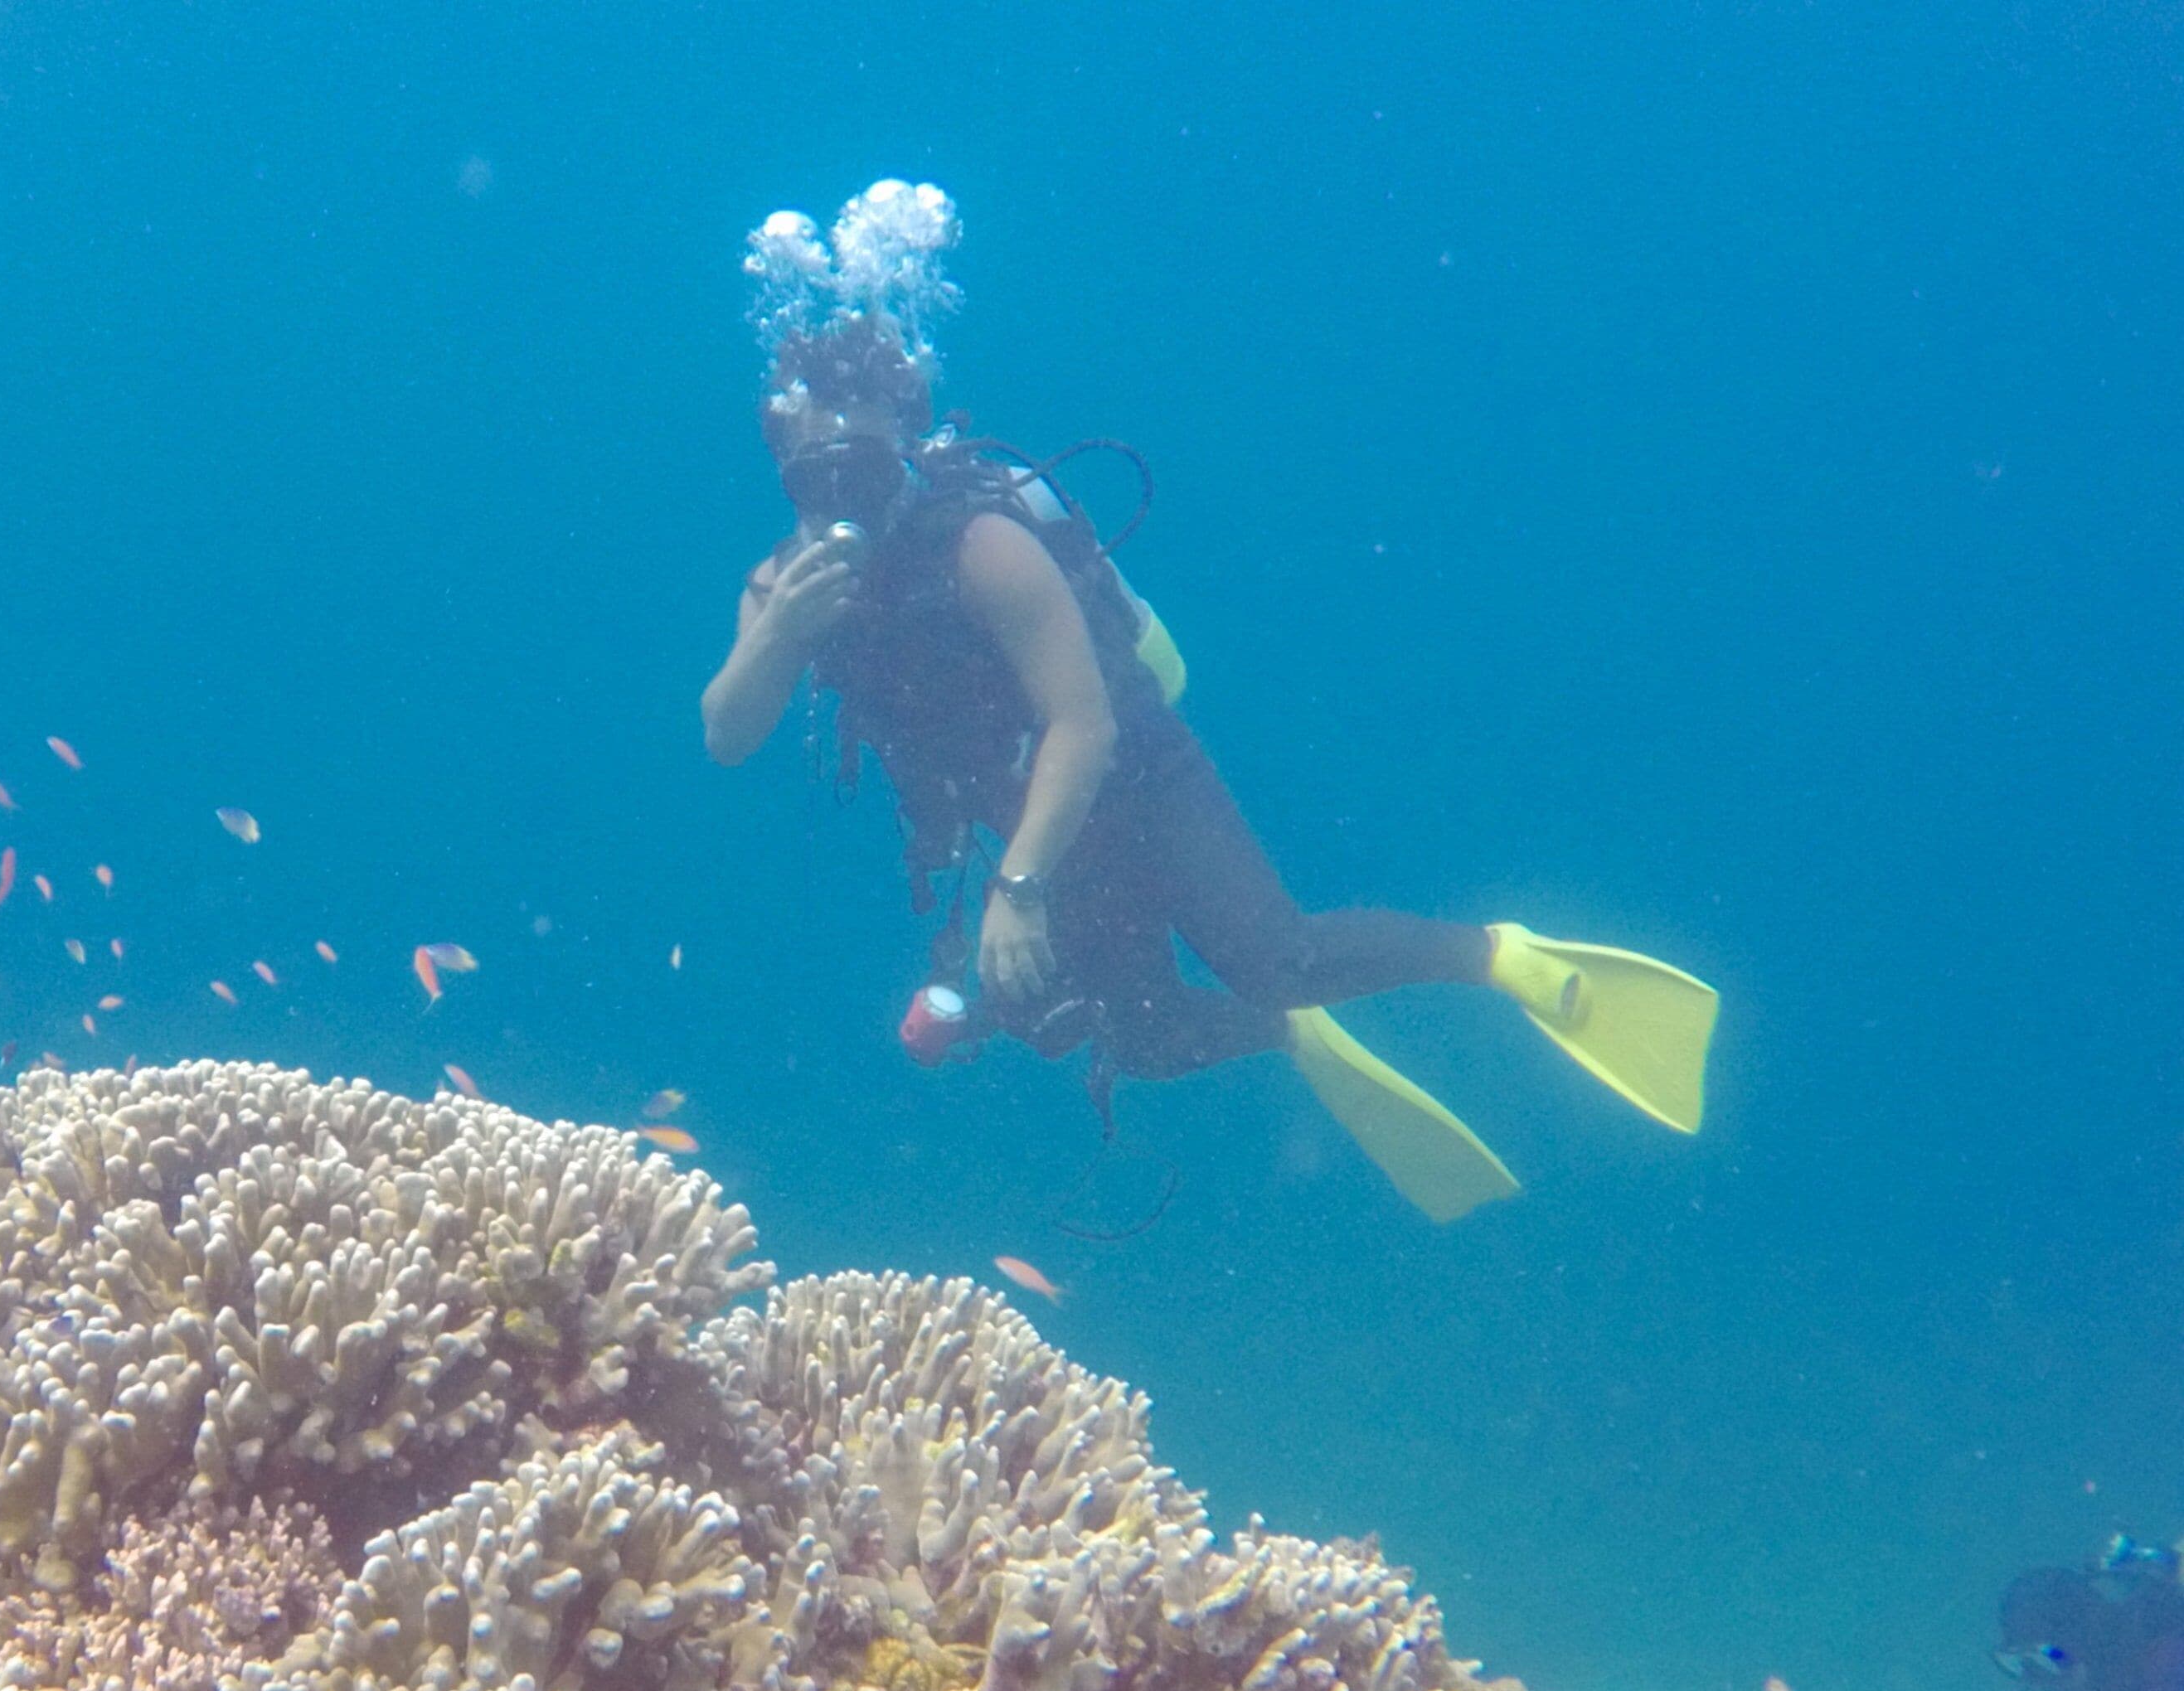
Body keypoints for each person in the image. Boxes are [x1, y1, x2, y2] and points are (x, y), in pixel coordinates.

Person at [703, 182, 1721, 1220]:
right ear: (783, 461)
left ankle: (1502, 958)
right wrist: (779, 633)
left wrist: (1019, 887)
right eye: (818, 482)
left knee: (1279, 957)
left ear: (905, 448)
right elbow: (727, 735)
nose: (845, 507)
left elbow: (1085, 723)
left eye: (865, 476)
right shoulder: (780, 590)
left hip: (1134, 773)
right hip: (1037, 828)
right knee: (1141, 1039)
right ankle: (1291, 1034)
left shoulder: (982, 547)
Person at [1996, 1538, 2184, 1691]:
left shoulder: (2167, 1674)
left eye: (2048, 1659)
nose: (2041, 1684)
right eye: (2019, 1664)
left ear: (2085, 1642)